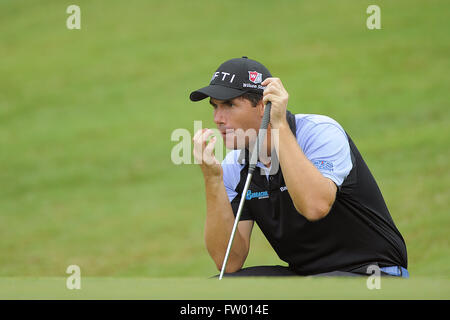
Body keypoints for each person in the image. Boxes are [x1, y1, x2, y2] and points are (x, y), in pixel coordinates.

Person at [189, 56, 408, 277]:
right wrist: (213, 180)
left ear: (264, 106)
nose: (218, 118)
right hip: (308, 279)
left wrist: (279, 123)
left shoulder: (320, 133)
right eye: (215, 107)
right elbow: (228, 261)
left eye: (229, 105)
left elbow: (315, 207)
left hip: (373, 271)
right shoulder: (233, 167)